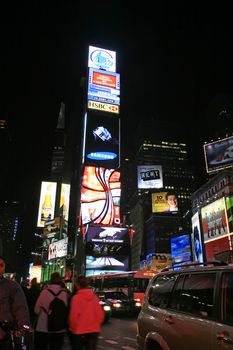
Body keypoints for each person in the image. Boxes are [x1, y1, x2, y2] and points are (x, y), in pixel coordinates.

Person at [0, 255, 30, 350]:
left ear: (4, 268)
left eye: (1, 265)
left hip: (4, 336)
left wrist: (23, 328)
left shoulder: (12, 286)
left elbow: (20, 308)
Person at [68, 275, 104, 350]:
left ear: (77, 285)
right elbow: (100, 315)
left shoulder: (76, 298)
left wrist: (72, 328)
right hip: (93, 331)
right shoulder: (94, 297)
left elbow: (73, 317)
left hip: (79, 331)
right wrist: (95, 325)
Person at [34, 272, 68, 350]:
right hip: (59, 328)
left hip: (43, 328)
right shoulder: (64, 293)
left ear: (50, 280)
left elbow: (36, 310)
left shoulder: (44, 292)